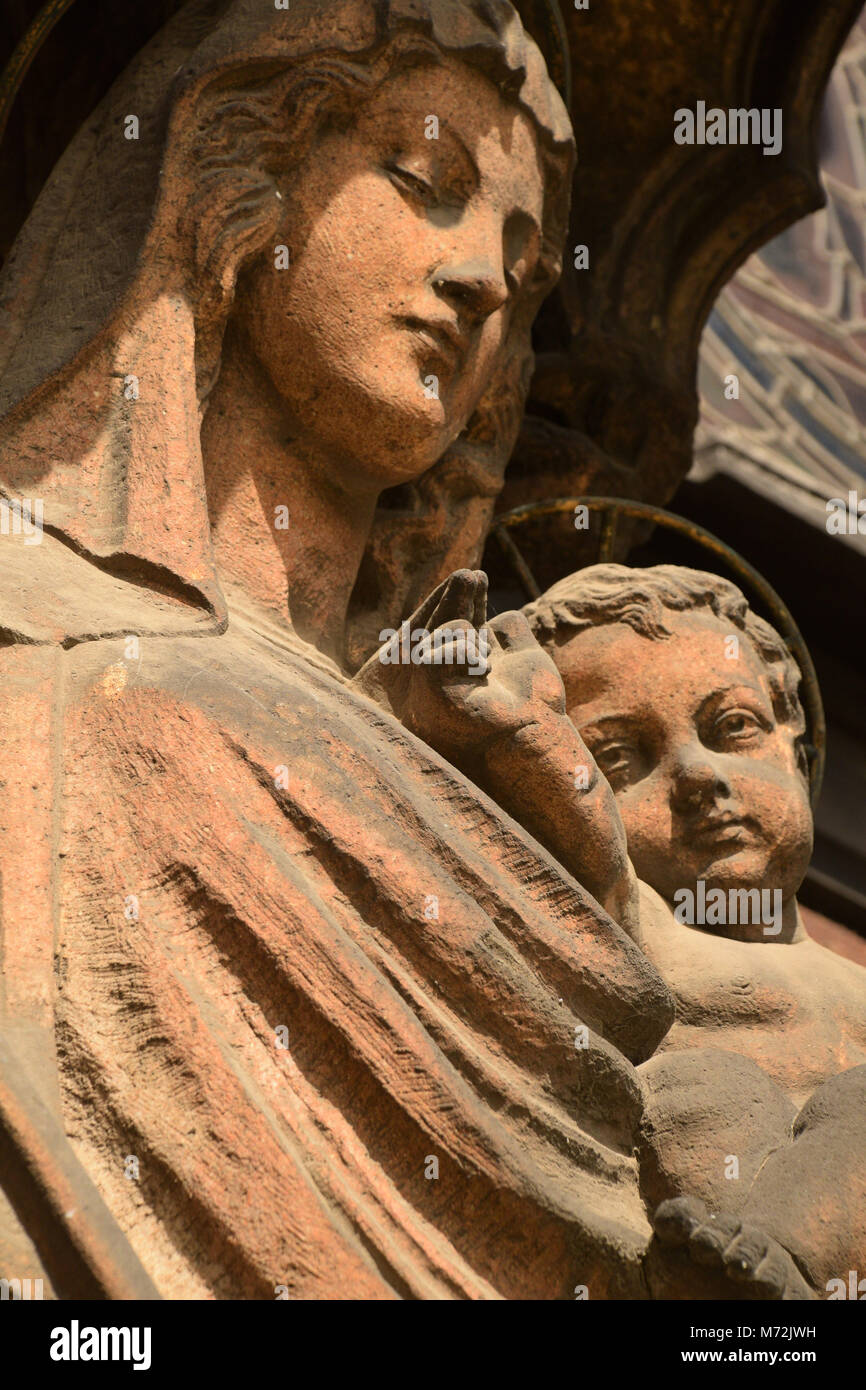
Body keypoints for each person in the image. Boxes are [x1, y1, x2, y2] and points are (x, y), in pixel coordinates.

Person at [0, 0, 674, 1300]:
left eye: (524, 266)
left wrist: (590, 870)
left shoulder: (473, 747)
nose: (482, 274)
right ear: (234, 178)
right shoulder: (38, 633)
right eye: (428, 185)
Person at [366, 561, 864, 1296]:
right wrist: (519, 725)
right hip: (703, 1219)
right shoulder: (643, 926)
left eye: (733, 727)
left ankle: (787, 1260)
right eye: (621, 758)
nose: (697, 777)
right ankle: (740, 1277)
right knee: (701, 1086)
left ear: (795, 741)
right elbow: (591, 843)